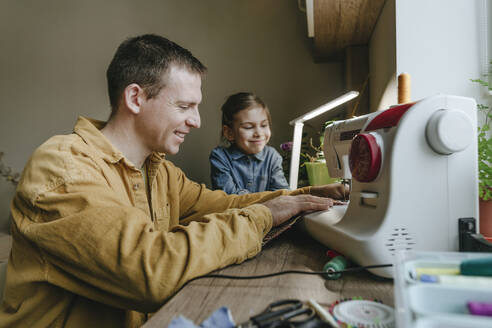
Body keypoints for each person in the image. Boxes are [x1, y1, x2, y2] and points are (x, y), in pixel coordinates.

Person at [0, 34, 347, 328]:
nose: (196, 121)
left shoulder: (159, 169)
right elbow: (150, 269)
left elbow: (224, 204)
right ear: (135, 98)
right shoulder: (62, 169)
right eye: (184, 106)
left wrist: (304, 195)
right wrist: (265, 215)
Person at [210, 92, 289, 194]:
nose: (259, 133)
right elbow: (230, 198)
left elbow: (282, 193)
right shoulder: (220, 157)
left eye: (264, 125)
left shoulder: (272, 156)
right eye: (248, 127)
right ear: (229, 133)